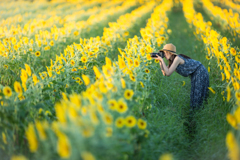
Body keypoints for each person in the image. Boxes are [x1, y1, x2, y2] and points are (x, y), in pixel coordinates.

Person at [152, 43, 209, 136]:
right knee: (194, 97)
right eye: (163, 52)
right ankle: (193, 125)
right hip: (195, 74)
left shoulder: (177, 59)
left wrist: (162, 60)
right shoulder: (172, 61)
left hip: (200, 72)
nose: (165, 54)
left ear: (171, 53)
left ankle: (196, 124)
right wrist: (160, 61)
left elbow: (169, 73)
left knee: (197, 98)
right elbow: (165, 73)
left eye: (166, 52)